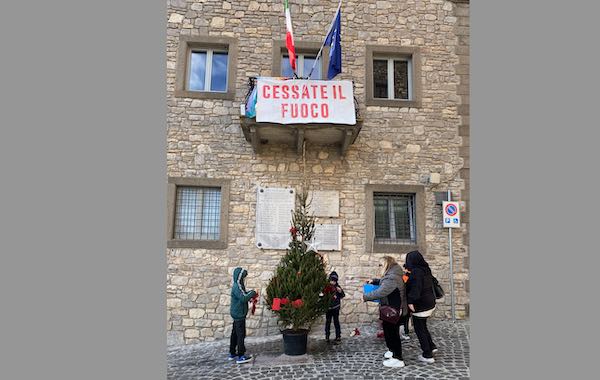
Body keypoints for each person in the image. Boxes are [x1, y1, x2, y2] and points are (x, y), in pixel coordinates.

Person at [363, 256, 409, 368]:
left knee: (393, 334)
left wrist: (365, 296)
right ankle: (392, 351)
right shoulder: (392, 275)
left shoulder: (392, 278)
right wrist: (374, 281)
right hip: (390, 309)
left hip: (393, 310)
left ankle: (398, 358)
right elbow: (384, 282)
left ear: (386, 265)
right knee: (388, 331)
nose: (379, 267)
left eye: (380, 265)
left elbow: (381, 291)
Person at [404, 250, 438, 364]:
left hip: (421, 305)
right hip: (430, 302)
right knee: (423, 326)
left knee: (419, 329)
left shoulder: (416, 272)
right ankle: (432, 346)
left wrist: (410, 302)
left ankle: (427, 355)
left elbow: (416, 289)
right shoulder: (425, 269)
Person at [229, 267, 257, 364]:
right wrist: (252, 292)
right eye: (243, 277)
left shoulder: (237, 286)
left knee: (235, 334)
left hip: (236, 314)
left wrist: (249, 296)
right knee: (241, 335)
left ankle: (232, 353)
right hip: (239, 314)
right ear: (240, 277)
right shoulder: (237, 286)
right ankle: (241, 356)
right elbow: (244, 297)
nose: (244, 279)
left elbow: (243, 295)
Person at [325, 271, 345, 343]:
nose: (333, 282)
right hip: (328, 308)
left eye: (334, 281)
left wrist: (340, 292)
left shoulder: (338, 287)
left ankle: (338, 336)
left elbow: (343, 295)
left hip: (336, 307)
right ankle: (327, 336)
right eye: (331, 280)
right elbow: (323, 296)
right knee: (328, 322)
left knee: (336, 322)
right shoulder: (326, 287)